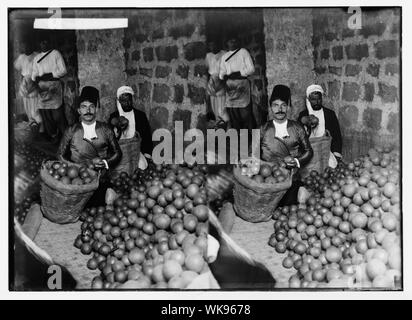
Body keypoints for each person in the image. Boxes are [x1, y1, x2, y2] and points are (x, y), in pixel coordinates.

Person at [57, 86, 122, 206]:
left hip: (100, 178)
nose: (88, 110)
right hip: (77, 179)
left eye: (91, 106)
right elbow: (60, 155)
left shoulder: (105, 129)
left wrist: (106, 163)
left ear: (96, 109)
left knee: (102, 202)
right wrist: (78, 167)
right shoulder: (71, 130)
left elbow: (118, 153)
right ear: (78, 110)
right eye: (84, 107)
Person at [253, 85, 313, 205]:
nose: (279, 109)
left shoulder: (297, 127)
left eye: (283, 105)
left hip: (290, 177)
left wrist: (296, 161)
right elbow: (252, 154)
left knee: (290, 197)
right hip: (268, 178)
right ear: (271, 107)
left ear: (288, 107)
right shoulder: (262, 129)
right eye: (275, 105)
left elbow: (308, 151)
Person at [31, 33, 67, 143]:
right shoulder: (37, 57)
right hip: (42, 87)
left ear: (49, 42)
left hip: (54, 86)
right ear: (39, 44)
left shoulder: (55, 53)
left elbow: (63, 70)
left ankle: (66, 137)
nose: (44, 44)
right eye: (41, 42)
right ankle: (54, 135)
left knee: (57, 114)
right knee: (46, 114)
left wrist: (50, 75)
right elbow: (34, 73)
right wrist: (36, 80)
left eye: (46, 42)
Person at [108, 86, 153, 171]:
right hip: (120, 152)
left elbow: (147, 136)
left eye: (129, 100)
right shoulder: (113, 117)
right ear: (119, 102)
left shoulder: (140, 115)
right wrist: (117, 129)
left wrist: (147, 154)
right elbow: (110, 138)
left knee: (142, 167)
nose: (128, 103)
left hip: (136, 151)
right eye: (124, 101)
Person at [298, 84, 343, 167]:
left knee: (330, 168)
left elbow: (337, 136)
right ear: (308, 100)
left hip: (326, 150)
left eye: (319, 99)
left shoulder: (330, 114)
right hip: (309, 151)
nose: (317, 102)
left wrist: (337, 154)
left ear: (322, 98)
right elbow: (299, 136)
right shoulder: (303, 115)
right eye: (313, 100)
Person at [219, 34, 256, 132]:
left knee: (245, 112)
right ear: (227, 43)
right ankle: (238, 136)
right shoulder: (224, 57)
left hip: (242, 85)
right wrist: (224, 76)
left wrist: (239, 73)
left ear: (238, 41)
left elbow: (251, 69)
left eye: (235, 41)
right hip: (230, 87)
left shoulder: (243, 52)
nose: (233, 43)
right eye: (230, 41)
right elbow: (221, 72)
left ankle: (250, 135)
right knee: (233, 112)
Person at [14, 40, 41, 132]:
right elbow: (20, 71)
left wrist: (34, 83)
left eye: (27, 46)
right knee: (27, 105)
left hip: (34, 81)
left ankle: (38, 124)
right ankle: (31, 123)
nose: (25, 48)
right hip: (25, 82)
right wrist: (24, 84)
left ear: (31, 46)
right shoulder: (21, 57)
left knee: (35, 106)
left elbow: (39, 72)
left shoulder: (37, 55)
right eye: (23, 46)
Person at [205, 40, 228, 128]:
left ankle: (225, 126)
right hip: (212, 81)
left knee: (221, 108)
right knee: (214, 106)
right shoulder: (208, 56)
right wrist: (209, 83)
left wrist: (223, 80)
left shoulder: (224, 54)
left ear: (218, 45)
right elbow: (206, 70)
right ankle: (219, 126)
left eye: (214, 45)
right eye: (210, 45)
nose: (212, 47)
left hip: (222, 80)